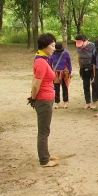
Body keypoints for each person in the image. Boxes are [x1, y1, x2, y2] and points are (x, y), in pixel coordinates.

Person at [29, 33, 59, 167]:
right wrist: (33, 98)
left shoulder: (43, 59)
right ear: (44, 46)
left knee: (45, 129)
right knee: (43, 131)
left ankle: (45, 154)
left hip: (46, 98)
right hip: (43, 99)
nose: (54, 48)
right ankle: (44, 160)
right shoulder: (41, 62)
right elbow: (36, 83)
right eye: (52, 46)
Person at [76, 34, 97, 109]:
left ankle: (94, 102)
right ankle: (87, 102)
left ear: (86, 41)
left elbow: (96, 58)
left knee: (94, 84)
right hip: (84, 67)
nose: (80, 46)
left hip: (92, 67)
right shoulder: (78, 47)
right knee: (85, 85)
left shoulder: (93, 46)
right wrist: (81, 68)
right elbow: (79, 57)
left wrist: (95, 70)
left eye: (81, 44)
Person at [49, 42, 72, 109]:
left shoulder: (66, 53)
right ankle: (57, 103)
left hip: (64, 73)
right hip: (56, 73)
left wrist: (70, 71)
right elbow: (50, 63)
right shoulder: (53, 53)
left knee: (65, 88)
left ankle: (65, 102)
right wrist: (51, 72)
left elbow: (69, 63)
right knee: (56, 89)